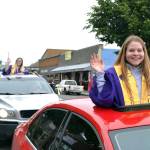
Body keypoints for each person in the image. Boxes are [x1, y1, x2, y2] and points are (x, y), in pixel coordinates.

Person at [89, 35, 150, 108]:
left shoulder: (148, 73)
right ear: (124, 53)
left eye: (139, 50)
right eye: (131, 50)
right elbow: (103, 100)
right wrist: (100, 73)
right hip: (123, 119)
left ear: (144, 53)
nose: (136, 54)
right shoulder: (113, 74)